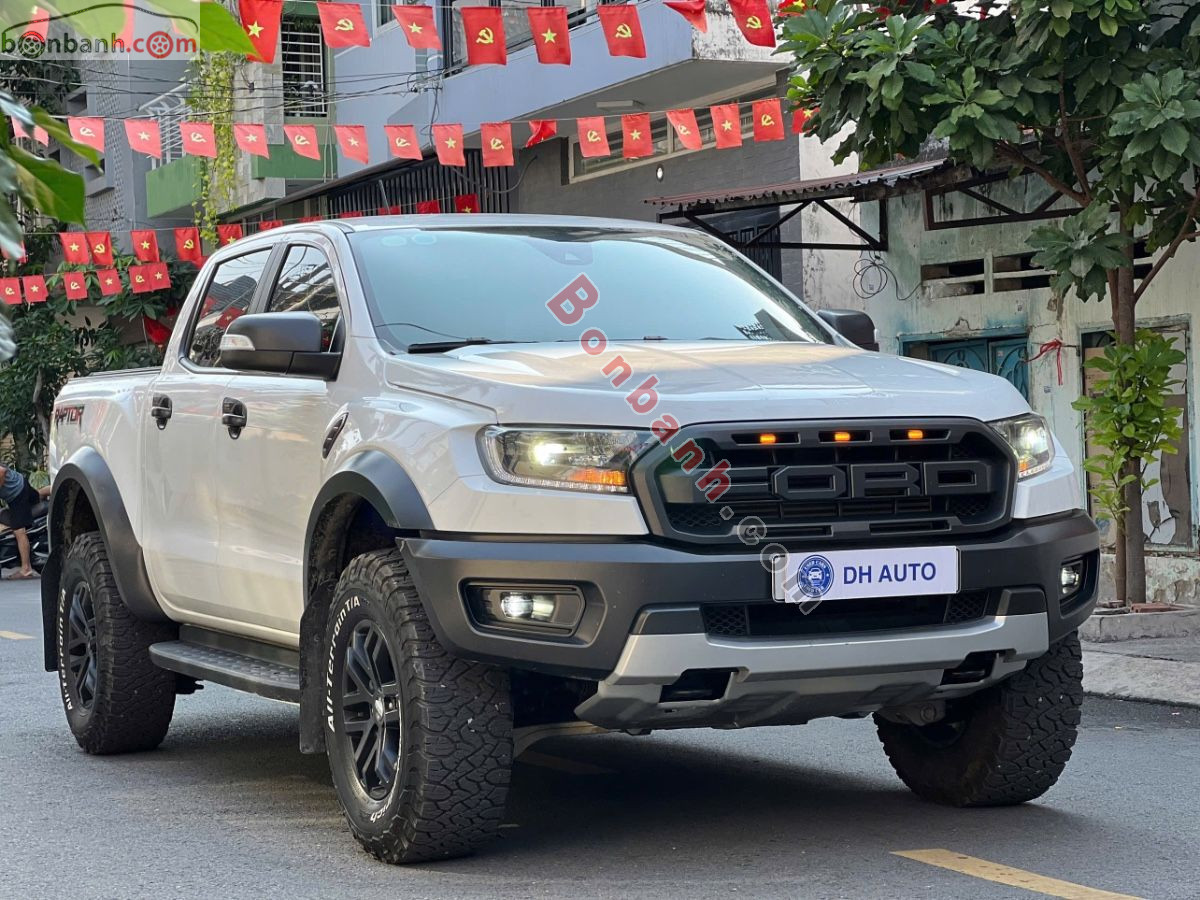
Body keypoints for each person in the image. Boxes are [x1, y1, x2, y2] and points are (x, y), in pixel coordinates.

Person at [0, 463, 50, 580]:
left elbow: (2, 471)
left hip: (16, 495)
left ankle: (26, 569)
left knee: (18, 530)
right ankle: (56, 487)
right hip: (21, 482)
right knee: (37, 496)